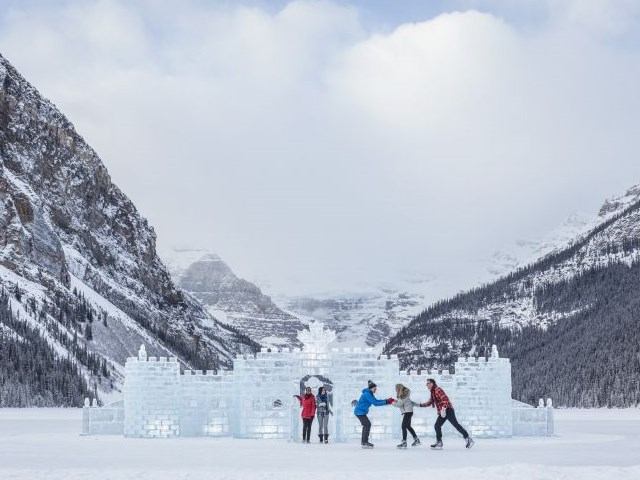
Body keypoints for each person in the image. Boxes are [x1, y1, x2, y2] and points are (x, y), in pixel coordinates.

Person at [420, 378, 474, 450]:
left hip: (448, 410)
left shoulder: (437, 390)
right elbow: (429, 402)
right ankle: (439, 442)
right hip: (443, 412)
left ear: (432, 383)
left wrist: (443, 409)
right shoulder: (433, 392)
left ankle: (468, 438)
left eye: (428, 383)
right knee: (437, 426)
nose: (427, 385)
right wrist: (419, 405)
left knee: (456, 425)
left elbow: (445, 400)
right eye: (426, 384)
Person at [353, 380, 395, 449]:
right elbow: (375, 403)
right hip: (359, 412)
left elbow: (377, 401)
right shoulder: (367, 394)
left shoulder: (369, 393)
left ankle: (364, 442)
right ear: (371, 388)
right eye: (374, 388)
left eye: (376, 388)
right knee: (367, 424)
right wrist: (387, 401)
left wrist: (387, 401)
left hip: (361, 412)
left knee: (366, 425)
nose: (375, 390)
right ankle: (364, 442)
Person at [393, 383, 420, 448]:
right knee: (408, 426)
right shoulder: (403, 395)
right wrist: (395, 401)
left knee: (403, 426)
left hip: (408, 412)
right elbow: (408, 402)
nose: (396, 390)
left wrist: (391, 402)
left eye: (396, 389)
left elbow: (399, 404)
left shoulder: (404, 395)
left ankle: (404, 442)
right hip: (408, 412)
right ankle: (416, 440)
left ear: (399, 388)